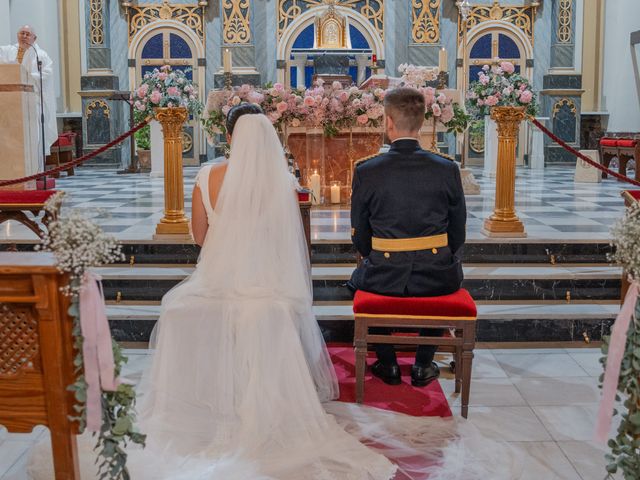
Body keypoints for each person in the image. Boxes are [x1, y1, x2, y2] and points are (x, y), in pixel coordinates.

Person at [30, 104, 520, 480]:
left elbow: (201, 238)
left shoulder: (205, 175)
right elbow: (292, 245)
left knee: (173, 304)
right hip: (268, 290)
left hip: (216, 285)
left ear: (227, 137)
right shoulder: (282, 182)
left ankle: (202, 404)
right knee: (265, 313)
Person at [348, 87, 467, 388]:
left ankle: (387, 363)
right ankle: (423, 364)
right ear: (423, 120)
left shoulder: (367, 170)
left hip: (383, 275)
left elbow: (361, 237)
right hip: (437, 276)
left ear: (388, 121)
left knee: (355, 280)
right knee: (447, 277)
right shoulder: (447, 168)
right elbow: (458, 233)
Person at [0, 25, 57, 157]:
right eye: (22, 33)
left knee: (34, 136)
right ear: (17, 35)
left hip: (32, 102)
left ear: (34, 38)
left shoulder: (40, 55)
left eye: (27, 34)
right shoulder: (8, 51)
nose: (24, 36)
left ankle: (35, 171)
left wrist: (26, 78)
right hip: (10, 103)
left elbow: (46, 75)